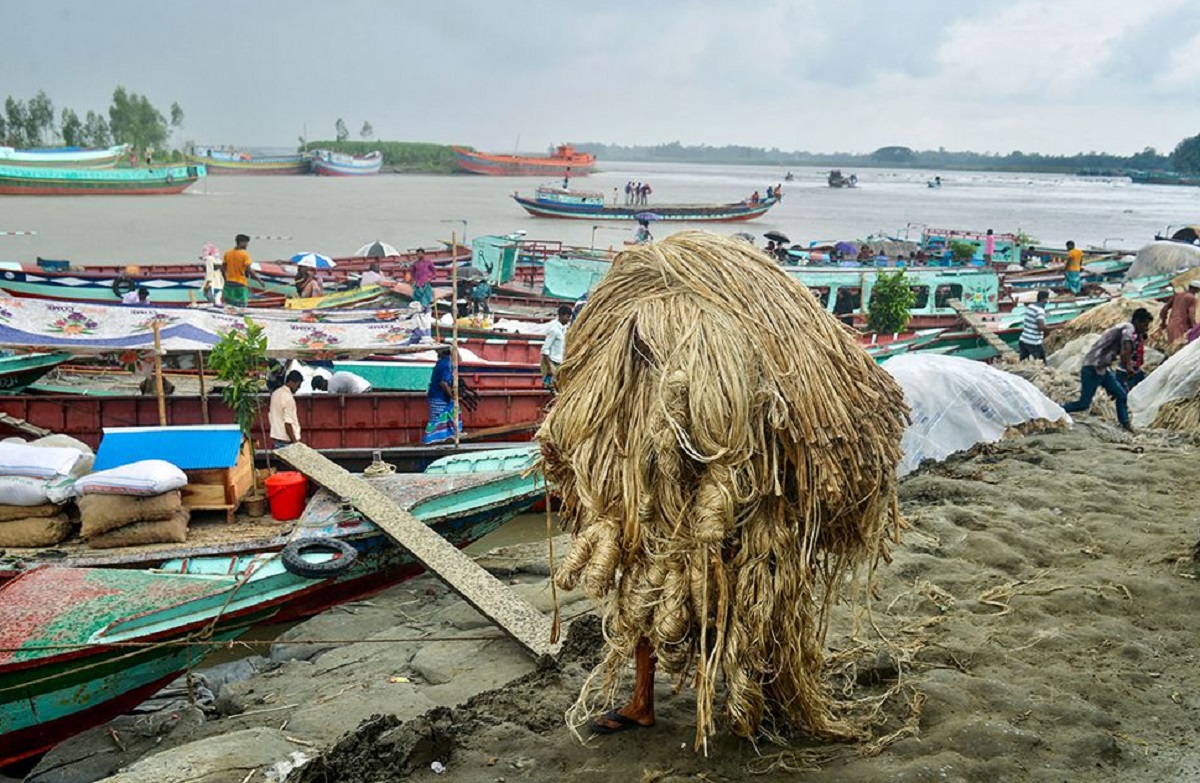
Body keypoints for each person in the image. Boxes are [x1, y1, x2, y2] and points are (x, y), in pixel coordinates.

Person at [1062, 308, 1153, 432]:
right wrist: (1128, 367)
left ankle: (1126, 425)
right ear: (1137, 321)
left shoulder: (1127, 328)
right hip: (1092, 368)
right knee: (1083, 404)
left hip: (1102, 368)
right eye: (1145, 324)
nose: (1146, 328)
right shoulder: (1128, 328)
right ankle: (1058, 411)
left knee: (1121, 395)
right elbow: (1126, 349)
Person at [423, 345, 463, 444]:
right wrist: (452, 396)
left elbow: (459, 361)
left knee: (446, 416)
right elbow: (443, 383)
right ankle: (431, 440)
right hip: (439, 396)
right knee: (437, 420)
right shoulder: (446, 364)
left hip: (437, 395)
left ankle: (445, 437)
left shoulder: (442, 362)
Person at [222, 234, 261, 309]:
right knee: (241, 305)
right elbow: (249, 270)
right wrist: (259, 280)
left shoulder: (227, 253)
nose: (247, 245)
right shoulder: (244, 254)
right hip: (240, 283)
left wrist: (225, 279)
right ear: (240, 243)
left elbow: (222, 268)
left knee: (229, 304)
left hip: (229, 282)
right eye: (246, 243)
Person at [1160, 280, 1199, 350]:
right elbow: (1191, 314)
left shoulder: (1177, 295)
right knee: (1179, 350)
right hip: (1181, 326)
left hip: (1171, 325)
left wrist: (1163, 322)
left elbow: (1164, 310)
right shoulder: (1192, 298)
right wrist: (1195, 328)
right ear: (1196, 289)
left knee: (1172, 348)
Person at [269, 370, 303, 447]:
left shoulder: (275, 393)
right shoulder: (288, 398)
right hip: (287, 442)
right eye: (298, 385)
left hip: (277, 440)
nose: (298, 388)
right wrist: (295, 443)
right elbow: (287, 424)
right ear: (292, 382)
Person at [540, 305, 572, 389]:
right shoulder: (554, 330)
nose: (568, 319)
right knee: (552, 386)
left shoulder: (564, 329)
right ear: (561, 315)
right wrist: (549, 367)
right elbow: (545, 349)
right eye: (567, 317)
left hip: (558, 363)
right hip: (551, 363)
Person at [1018, 290, 1050, 362]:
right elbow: (1041, 327)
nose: (1047, 301)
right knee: (1042, 363)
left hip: (1023, 339)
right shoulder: (1040, 310)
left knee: (1023, 363)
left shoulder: (1030, 306)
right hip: (1033, 342)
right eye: (1047, 299)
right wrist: (1057, 327)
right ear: (1043, 299)